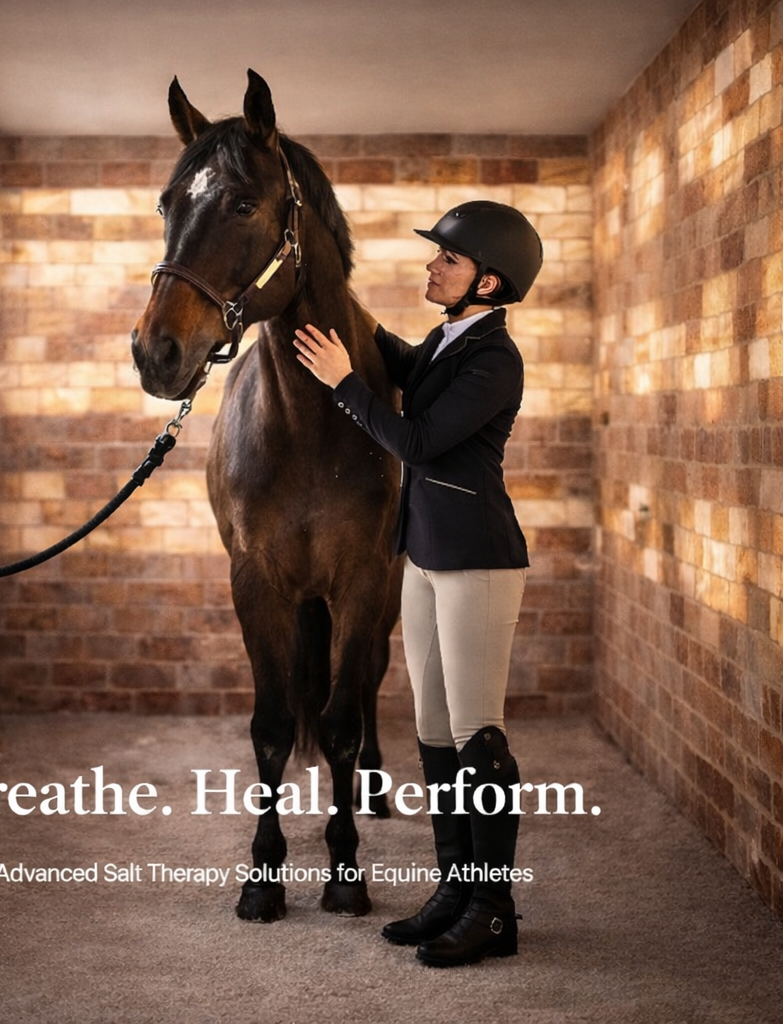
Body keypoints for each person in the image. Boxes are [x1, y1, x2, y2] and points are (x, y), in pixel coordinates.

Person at [293, 200, 542, 968]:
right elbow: (408, 368)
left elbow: (421, 440)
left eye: (448, 261)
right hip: (426, 554)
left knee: (478, 736)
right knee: (432, 730)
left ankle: (493, 911)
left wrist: (343, 384)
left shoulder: (496, 358)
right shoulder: (451, 338)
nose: (432, 266)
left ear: (489, 281)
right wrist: (345, 317)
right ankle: (453, 889)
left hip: (478, 559)